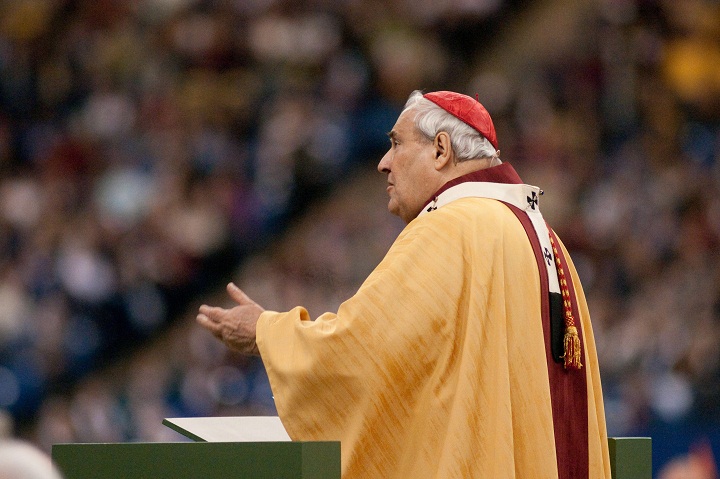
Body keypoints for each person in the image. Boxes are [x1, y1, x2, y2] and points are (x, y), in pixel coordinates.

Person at [197, 90, 611, 478]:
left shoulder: (448, 228)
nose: (383, 162)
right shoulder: (544, 239)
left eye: (396, 144)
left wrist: (265, 333)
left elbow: (359, 352)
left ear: (441, 149)